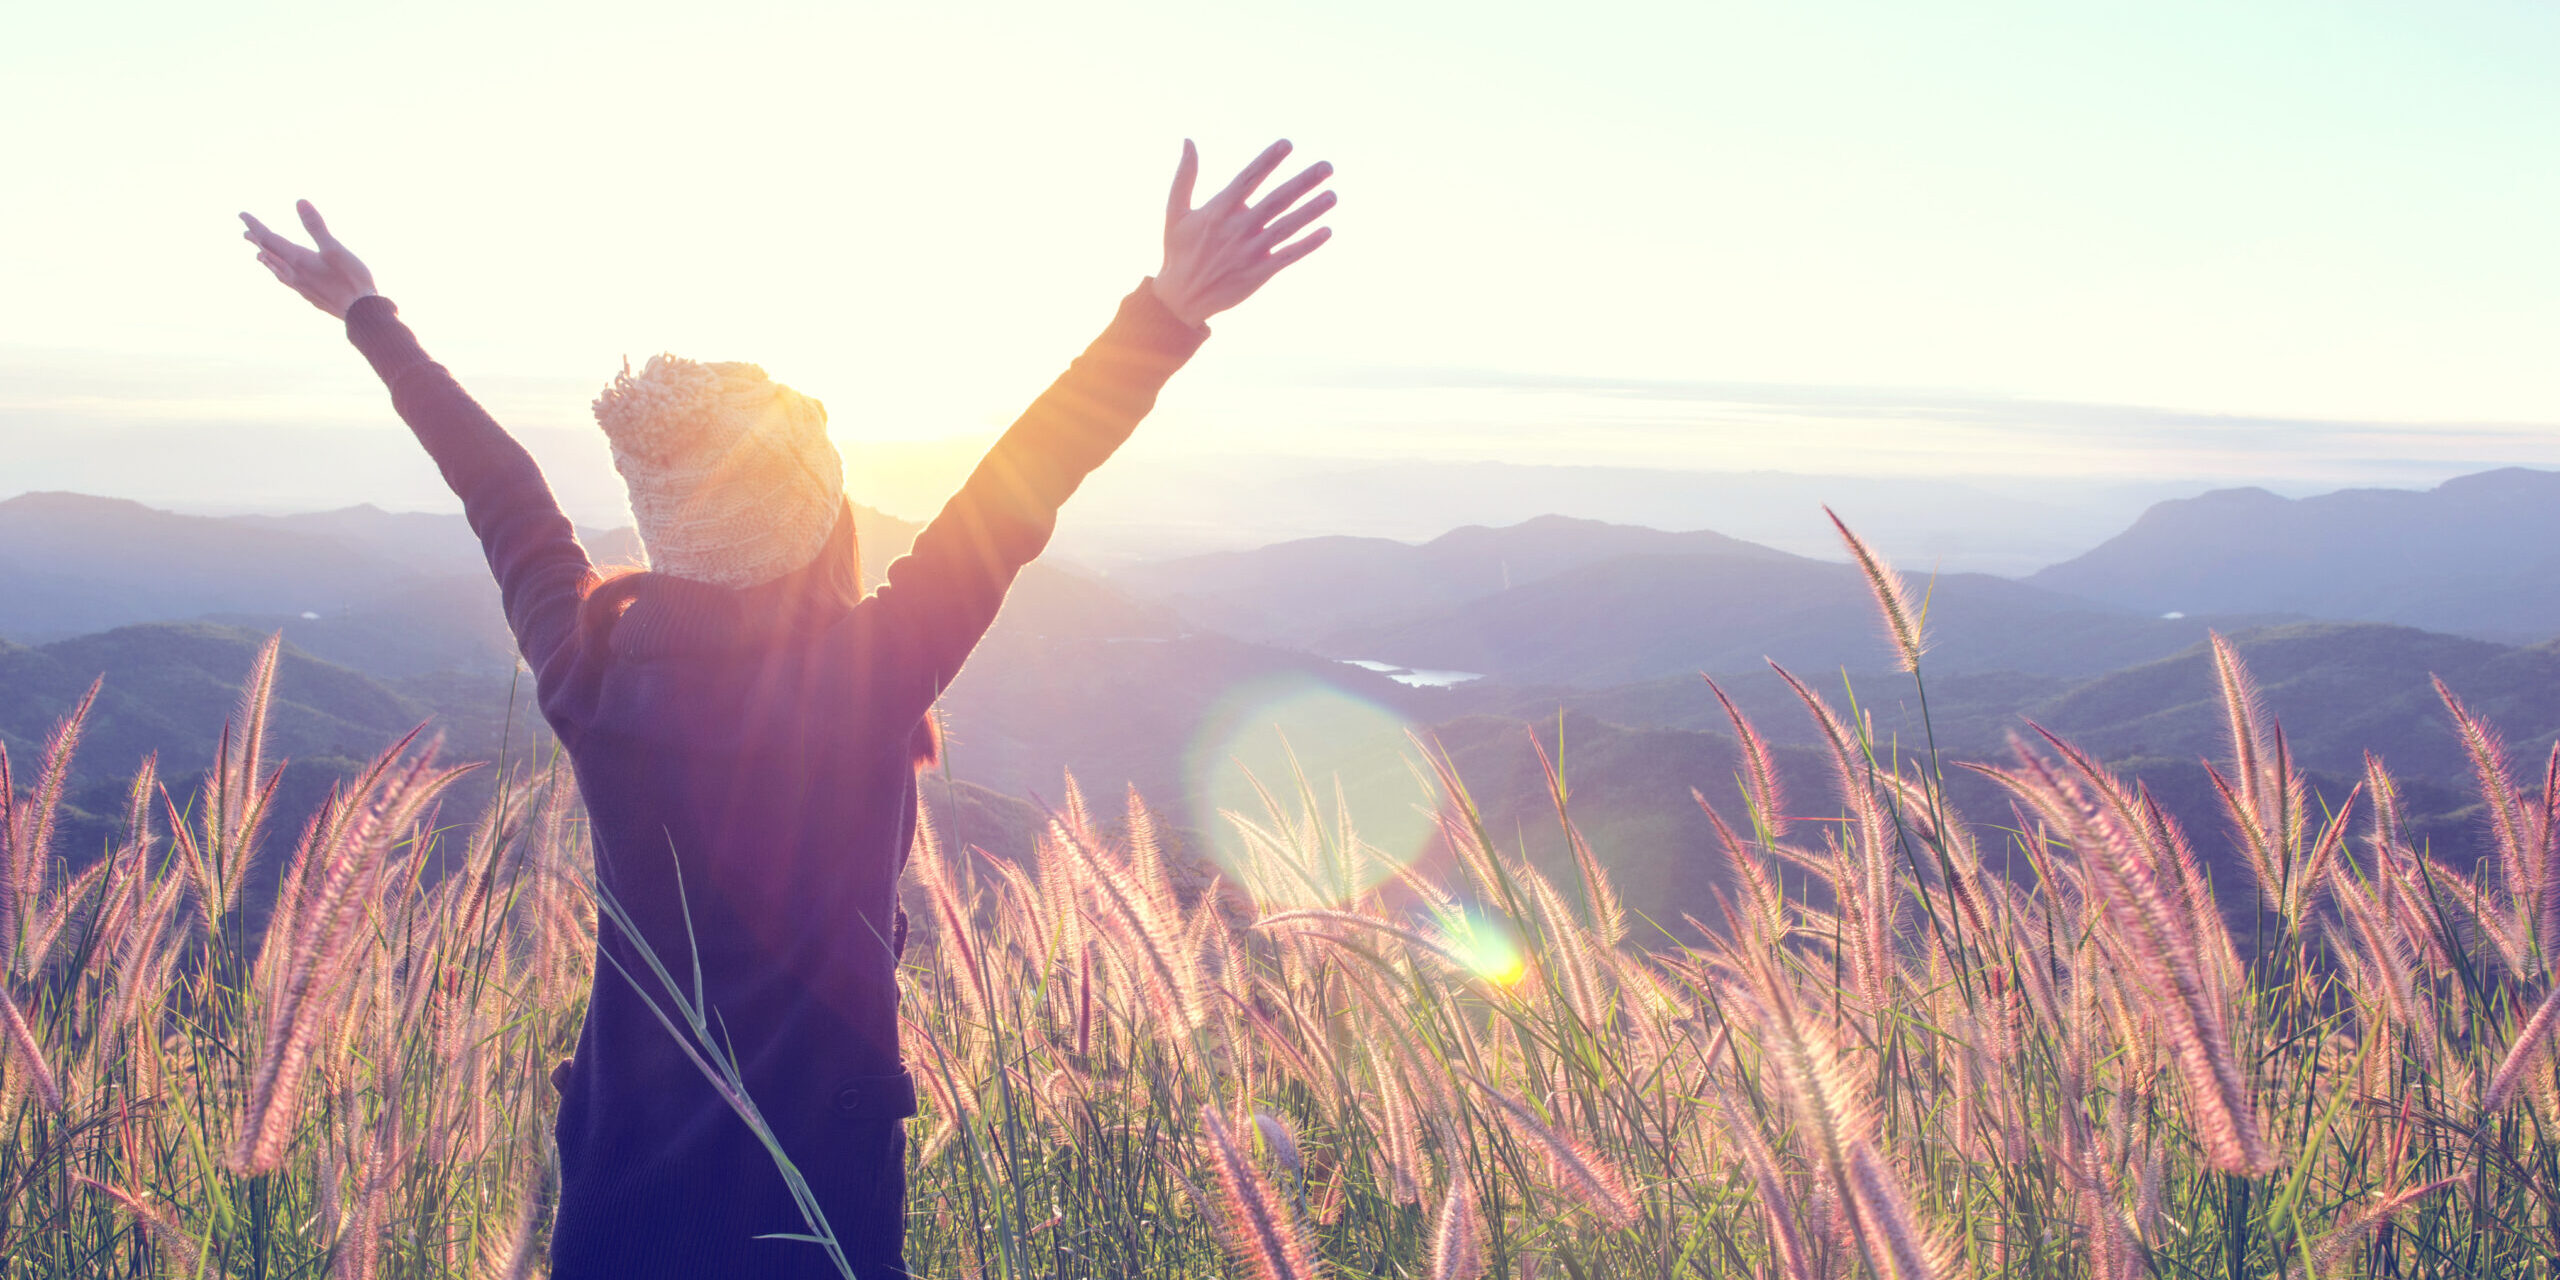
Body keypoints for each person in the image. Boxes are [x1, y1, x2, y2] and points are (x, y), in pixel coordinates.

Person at [239, 139, 1334, 1279]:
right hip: (814, 1206)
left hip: (619, 1200)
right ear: (822, 521)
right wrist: (1163, 312)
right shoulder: (862, 681)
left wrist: (367, 312)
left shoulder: (589, 672)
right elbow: (1020, 485)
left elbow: (499, 488)